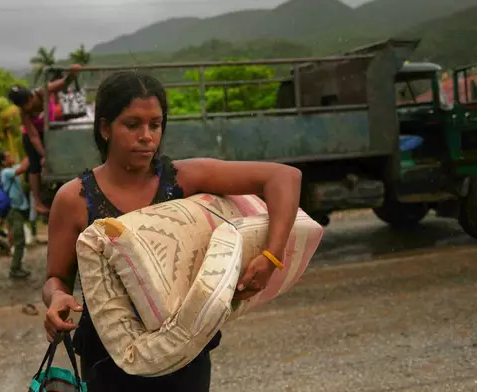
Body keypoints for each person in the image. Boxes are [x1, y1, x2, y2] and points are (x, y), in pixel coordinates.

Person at [42, 72, 302, 391]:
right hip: (108, 359)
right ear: (105, 127)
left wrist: (271, 255)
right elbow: (56, 278)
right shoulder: (74, 199)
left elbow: (283, 178)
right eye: (132, 124)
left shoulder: (183, 179)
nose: (147, 136)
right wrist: (57, 299)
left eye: (155, 124)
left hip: (184, 347)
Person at [7, 64, 82, 216]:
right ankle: (38, 202)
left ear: (30, 97)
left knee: (64, 161)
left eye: (25, 104)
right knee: (34, 166)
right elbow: (33, 136)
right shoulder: (24, 113)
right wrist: (44, 155)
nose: (26, 108)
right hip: (32, 136)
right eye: (21, 106)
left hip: (51, 132)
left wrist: (72, 74)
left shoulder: (42, 92)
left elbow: (63, 83)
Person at [0, 151, 31, 279]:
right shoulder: (6, 172)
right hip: (13, 210)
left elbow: (22, 166)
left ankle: (17, 266)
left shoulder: (11, 169)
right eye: (8, 156)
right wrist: (31, 151)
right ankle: (14, 268)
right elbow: (22, 168)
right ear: (3, 162)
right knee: (19, 239)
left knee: (19, 239)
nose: (12, 157)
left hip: (17, 209)